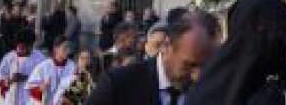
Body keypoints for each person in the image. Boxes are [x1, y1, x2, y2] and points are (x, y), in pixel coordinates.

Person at [86, 10, 220, 105]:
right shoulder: (118, 84)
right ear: (166, 46)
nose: (197, 75)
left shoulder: (213, 92)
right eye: (189, 65)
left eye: (206, 66)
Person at [0, 27, 46, 105]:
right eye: (20, 47)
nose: (23, 50)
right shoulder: (10, 57)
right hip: (10, 99)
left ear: (31, 45)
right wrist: (11, 80)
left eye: (26, 47)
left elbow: (47, 80)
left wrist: (27, 78)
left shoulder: (40, 58)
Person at [28, 37, 76, 104]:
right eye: (65, 48)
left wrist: (69, 97)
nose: (68, 51)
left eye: (68, 48)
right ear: (55, 49)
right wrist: (41, 88)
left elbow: (76, 89)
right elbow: (32, 89)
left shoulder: (73, 67)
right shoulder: (44, 66)